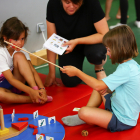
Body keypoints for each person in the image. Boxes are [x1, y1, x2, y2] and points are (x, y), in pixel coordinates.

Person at [61, 25, 140, 132]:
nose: (107, 52)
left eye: (109, 50)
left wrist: (77, 72)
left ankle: (86, 116)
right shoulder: (130, 65)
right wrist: (109, 89)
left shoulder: (127, 69)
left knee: (83, 111)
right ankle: (90, 114)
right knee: (99, 87)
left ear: (120, 49)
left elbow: (98, 85)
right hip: (116, 105)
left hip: (122, 120)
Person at [45, 0, 109, 87]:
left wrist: (77, 41)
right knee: (70, 81)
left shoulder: (92, 2)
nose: (71, 6)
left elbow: (105, 34)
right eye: (67, 2)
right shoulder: (53, 4)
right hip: (69, 47)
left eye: (76, 3)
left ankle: (99, 68)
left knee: (97, 54)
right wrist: (51, 73)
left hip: (91, 43)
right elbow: (51, 40)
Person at [0, 17, 53, 104]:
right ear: (5, 38)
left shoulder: (21, 49)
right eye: (16, 39)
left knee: (19, 56)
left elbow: (32, 71)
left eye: (22, 39)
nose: (20, 43)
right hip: (4, 87)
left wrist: (41, 89)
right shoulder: (1, 53)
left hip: (18, 85)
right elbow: (11, 80)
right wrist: (31, 92)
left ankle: (36, 92)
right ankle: (33, 98)